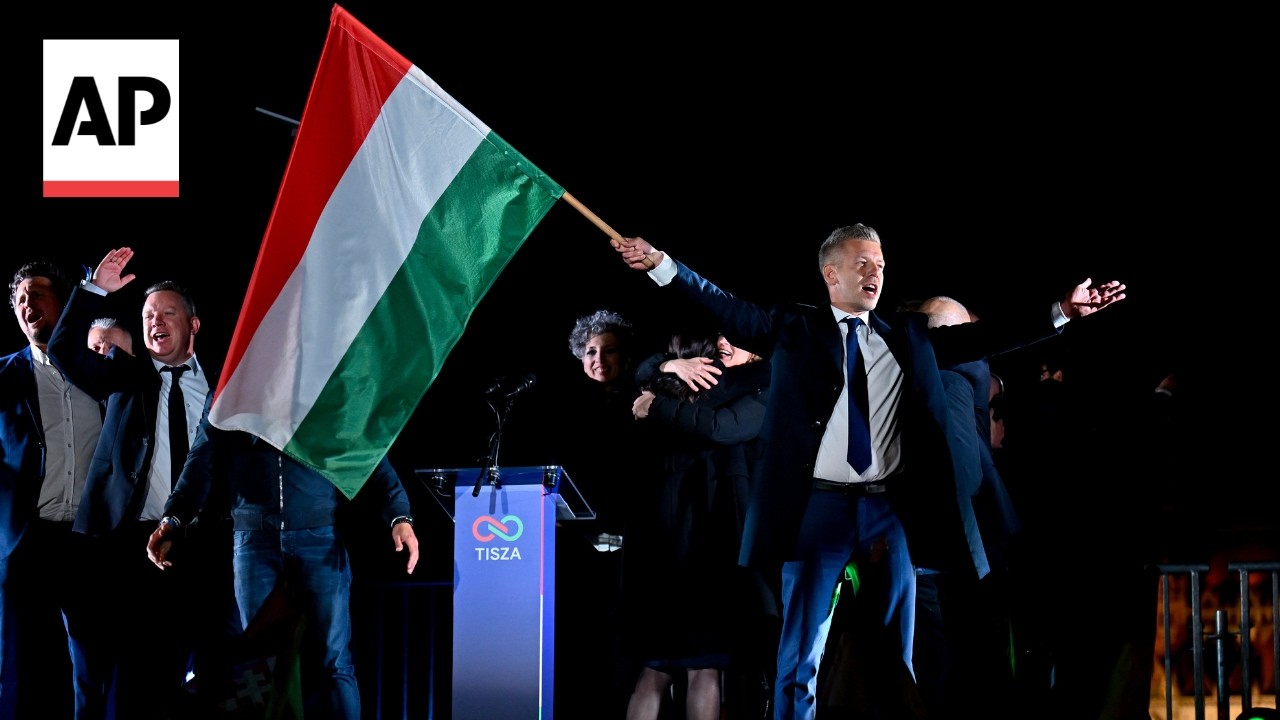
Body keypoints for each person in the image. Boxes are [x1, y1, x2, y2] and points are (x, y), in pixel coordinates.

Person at [615, 225, 1127, 720]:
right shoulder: (794, 330)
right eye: (862, 262)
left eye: (880, 264)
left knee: (894, 652)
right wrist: (663, 265)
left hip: (886, 510)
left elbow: (987, 338)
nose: (875, 272)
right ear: (830, 275)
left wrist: (1062, 311)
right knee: (801, 654)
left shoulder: (907, 337)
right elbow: (725, 305)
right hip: (819, 508)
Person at [146, 386, 420, 720]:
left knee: (332, 662)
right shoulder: (236, 375)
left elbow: (369, 445)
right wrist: (173, 518)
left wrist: (398, 514)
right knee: (258, 666)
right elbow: (203, 456)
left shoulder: (325, 373)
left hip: (318, 535)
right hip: (253, 542)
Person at [46, 247, 234, 719]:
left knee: (219, 678)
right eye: (149, 314)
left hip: (210, 544)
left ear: (193, 326)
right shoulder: (123, 377)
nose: (156, 321)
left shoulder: (223, 385)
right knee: (146, 680)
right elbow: (63, 351)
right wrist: (94, 292)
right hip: (136, 548)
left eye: (168, 313)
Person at [622, 331, 770, 720]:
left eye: (735, 338)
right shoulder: (692, 385)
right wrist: (667, 366)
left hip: (701, 544)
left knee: (665, 666)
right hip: (692, 545)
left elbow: (724, 427)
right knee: (692, 665)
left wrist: (656, 395)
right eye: (720, 337)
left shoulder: (766, 382)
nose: (724, 343)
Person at [1, 259, 110, 719]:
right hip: (29, 540)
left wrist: (95, 292)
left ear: (62, 305)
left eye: (37, 293)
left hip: (88, 540)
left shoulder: (100, 372)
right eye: (20, 299)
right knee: (20, 665)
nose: (28, 303)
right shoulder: (4, 375)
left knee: (95, 664)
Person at [553, 309, 643, 719]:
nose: (598, 358)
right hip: (578, 551)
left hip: (635, 548)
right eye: (590, 351)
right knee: (581, 654)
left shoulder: (644, 402)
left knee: (626, 659)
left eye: (609, 350)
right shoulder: (563, 410)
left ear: (625, 358)